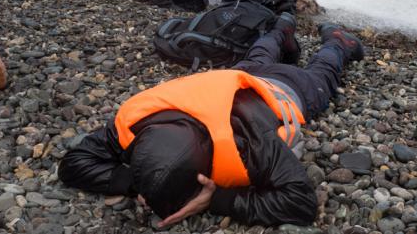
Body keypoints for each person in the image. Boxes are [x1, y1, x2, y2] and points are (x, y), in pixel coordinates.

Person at [59, 14, 364, 227]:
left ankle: (337, 41)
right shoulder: (139, 122)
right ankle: (281, 28)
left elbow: (301, 202)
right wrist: (133, 183)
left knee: (323, 71)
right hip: (238, 77)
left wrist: (216, 200)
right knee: (259, 54)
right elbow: (73, 163)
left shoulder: (250, 141)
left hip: (286, 88)